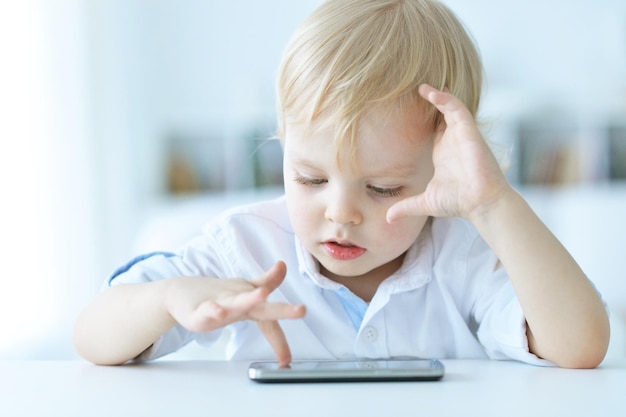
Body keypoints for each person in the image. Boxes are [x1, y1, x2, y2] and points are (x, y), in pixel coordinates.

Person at [74, 0, 610, 369]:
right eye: (310, 178)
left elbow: (580, 347)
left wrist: (493, 203)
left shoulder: (461, 254)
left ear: (442, 167)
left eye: (383, 189)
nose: (341, 212)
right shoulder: (243, 245)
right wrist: (169, 298)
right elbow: (92, 337)